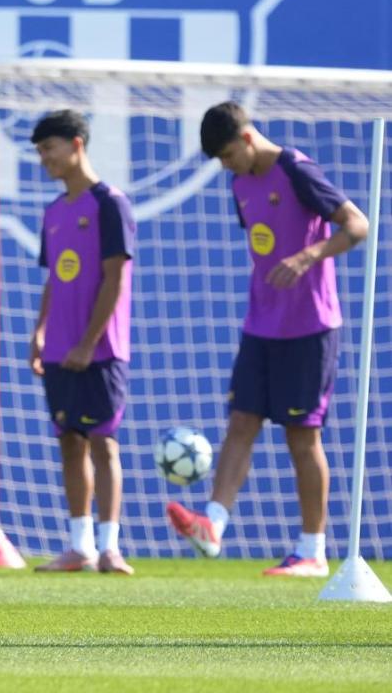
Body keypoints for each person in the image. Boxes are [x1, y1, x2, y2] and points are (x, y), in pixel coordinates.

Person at [166, 102, 366, 576]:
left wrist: (307, 257)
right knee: (241, 422)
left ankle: (312, 550)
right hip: (261, 325)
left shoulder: (296, 169)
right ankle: (213, 524)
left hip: (310, 326)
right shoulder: (240, 184)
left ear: (248, 137)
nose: (225, 166)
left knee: (301, 435)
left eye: (228, 155)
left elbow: (356, 224)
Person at [27, 110, 136, 575]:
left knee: (102, 442)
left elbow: (116, 278)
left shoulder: (110, 203)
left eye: (49, 148)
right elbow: (55, 277)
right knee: (68, 443)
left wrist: (89, 342)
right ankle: (81, 546)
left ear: (76, 144)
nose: (44, 159)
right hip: (59, 350)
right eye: (39, 151)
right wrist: (40, 331)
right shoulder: (53, 211)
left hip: (101, 349)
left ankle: (110, 548)